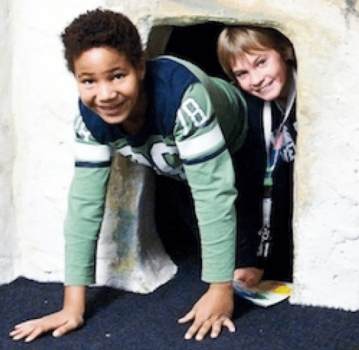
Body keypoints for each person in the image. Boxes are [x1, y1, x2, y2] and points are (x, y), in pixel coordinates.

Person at [9, 9, 247, 342]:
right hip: (177, 168)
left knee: (250, 257)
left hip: (245, 142)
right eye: (89, 81)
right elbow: (84, 205)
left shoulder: (182, 99)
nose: (105, 94)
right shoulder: (90, 120)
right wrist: (72, 307)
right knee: (193, 236)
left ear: (139, 67)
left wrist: (220, 291)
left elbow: (213, 194)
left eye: (117, 75)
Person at [217, 25, 296, 288]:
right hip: (271, 221)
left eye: (261, 63)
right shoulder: (250, 109)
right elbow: (253, 187)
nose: (256, 79)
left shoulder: (316, 94)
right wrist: (249, 259)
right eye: (242, 73)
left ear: (285, 50)